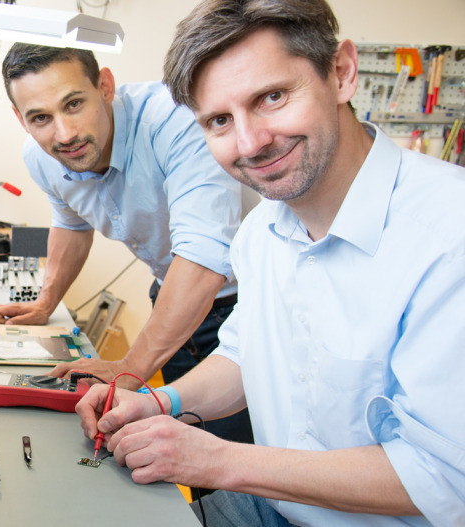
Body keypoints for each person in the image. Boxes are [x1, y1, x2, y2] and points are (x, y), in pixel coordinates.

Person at [75, 0, 465, 525]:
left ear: (342, 73)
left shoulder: (448, 238)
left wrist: (218, 460)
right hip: (275, 507)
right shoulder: (262, 230)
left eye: (272, 97)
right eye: (218, 120)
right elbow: (243, 355)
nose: (250, 143)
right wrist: (161, 401)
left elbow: (443, 477)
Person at [0, 44, 253, 445]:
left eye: (74, 103)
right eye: (40, 117)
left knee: (235, 461)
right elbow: (71, 223)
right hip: (175, 297)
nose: (64, 134)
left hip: (248, 302)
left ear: (105, 86)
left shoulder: (176, 121)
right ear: (19, 119)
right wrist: (47, 302)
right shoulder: (41, 157)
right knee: (192, 449)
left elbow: (203, 258)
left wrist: (130, 366)